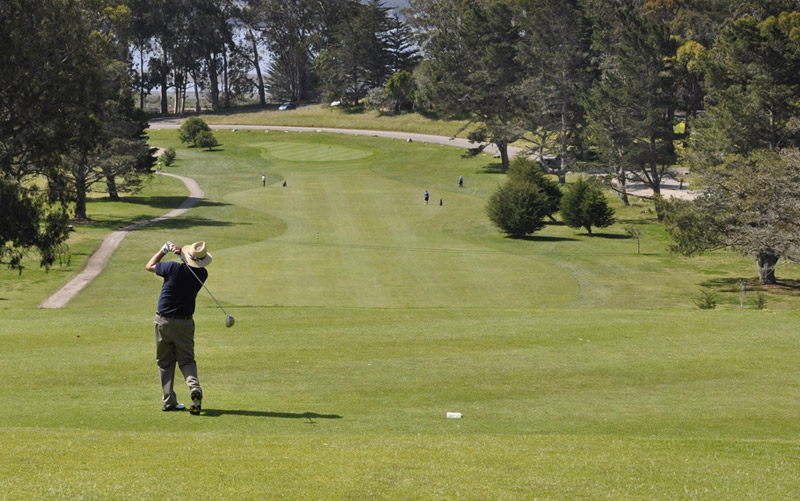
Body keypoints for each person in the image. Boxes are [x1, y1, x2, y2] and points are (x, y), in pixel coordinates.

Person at [145, 241, 212, 415]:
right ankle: (194, 387)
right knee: (187, 360)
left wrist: (163, 250)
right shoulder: (202, 274)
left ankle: (168, 401)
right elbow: (191, 267)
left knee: (165, 362)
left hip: (163, 321)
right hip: (185, 323)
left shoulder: (172, 268)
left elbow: (149, 266)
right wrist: (181, 254)